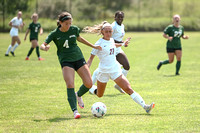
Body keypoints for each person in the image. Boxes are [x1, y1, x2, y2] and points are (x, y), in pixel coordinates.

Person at [40, 12, 101, 119]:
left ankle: (78, 95)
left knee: (89, 83)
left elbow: (80, 39)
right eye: (66, 24)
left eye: (70, 23)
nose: (69, 26)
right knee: (70, 84)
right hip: (66, 61)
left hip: (79, 58)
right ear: (60, 23)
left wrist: (93, 46)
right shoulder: (54, 34)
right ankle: (75, 111)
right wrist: (44, 48)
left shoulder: (74, 29)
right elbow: (42, 44)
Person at [84, 22, 155, 114]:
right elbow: (90, 59)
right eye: (107, 32)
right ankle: (91, 88)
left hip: (115, 70)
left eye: (110, 32)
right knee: (99, 95)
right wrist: (85, 70)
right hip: (103, 72)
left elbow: (113, 45)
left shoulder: (112, 40)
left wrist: (123, 44)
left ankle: (145, 106)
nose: (109, 34)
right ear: (102, 32)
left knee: (128, 88)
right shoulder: (98, 44)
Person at [89, 11, 130, 94]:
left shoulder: (122, 26)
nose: (120, 19)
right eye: (118, 17)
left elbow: (116, 38)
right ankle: (89, 85)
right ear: (115, 18)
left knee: (126, 66)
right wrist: (121, 43)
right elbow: (108, 37)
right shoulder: (113, 26)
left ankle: (118, 85)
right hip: (111, 49)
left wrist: (123, 43)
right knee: (104, 68)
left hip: (117, 48)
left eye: (122, 17)